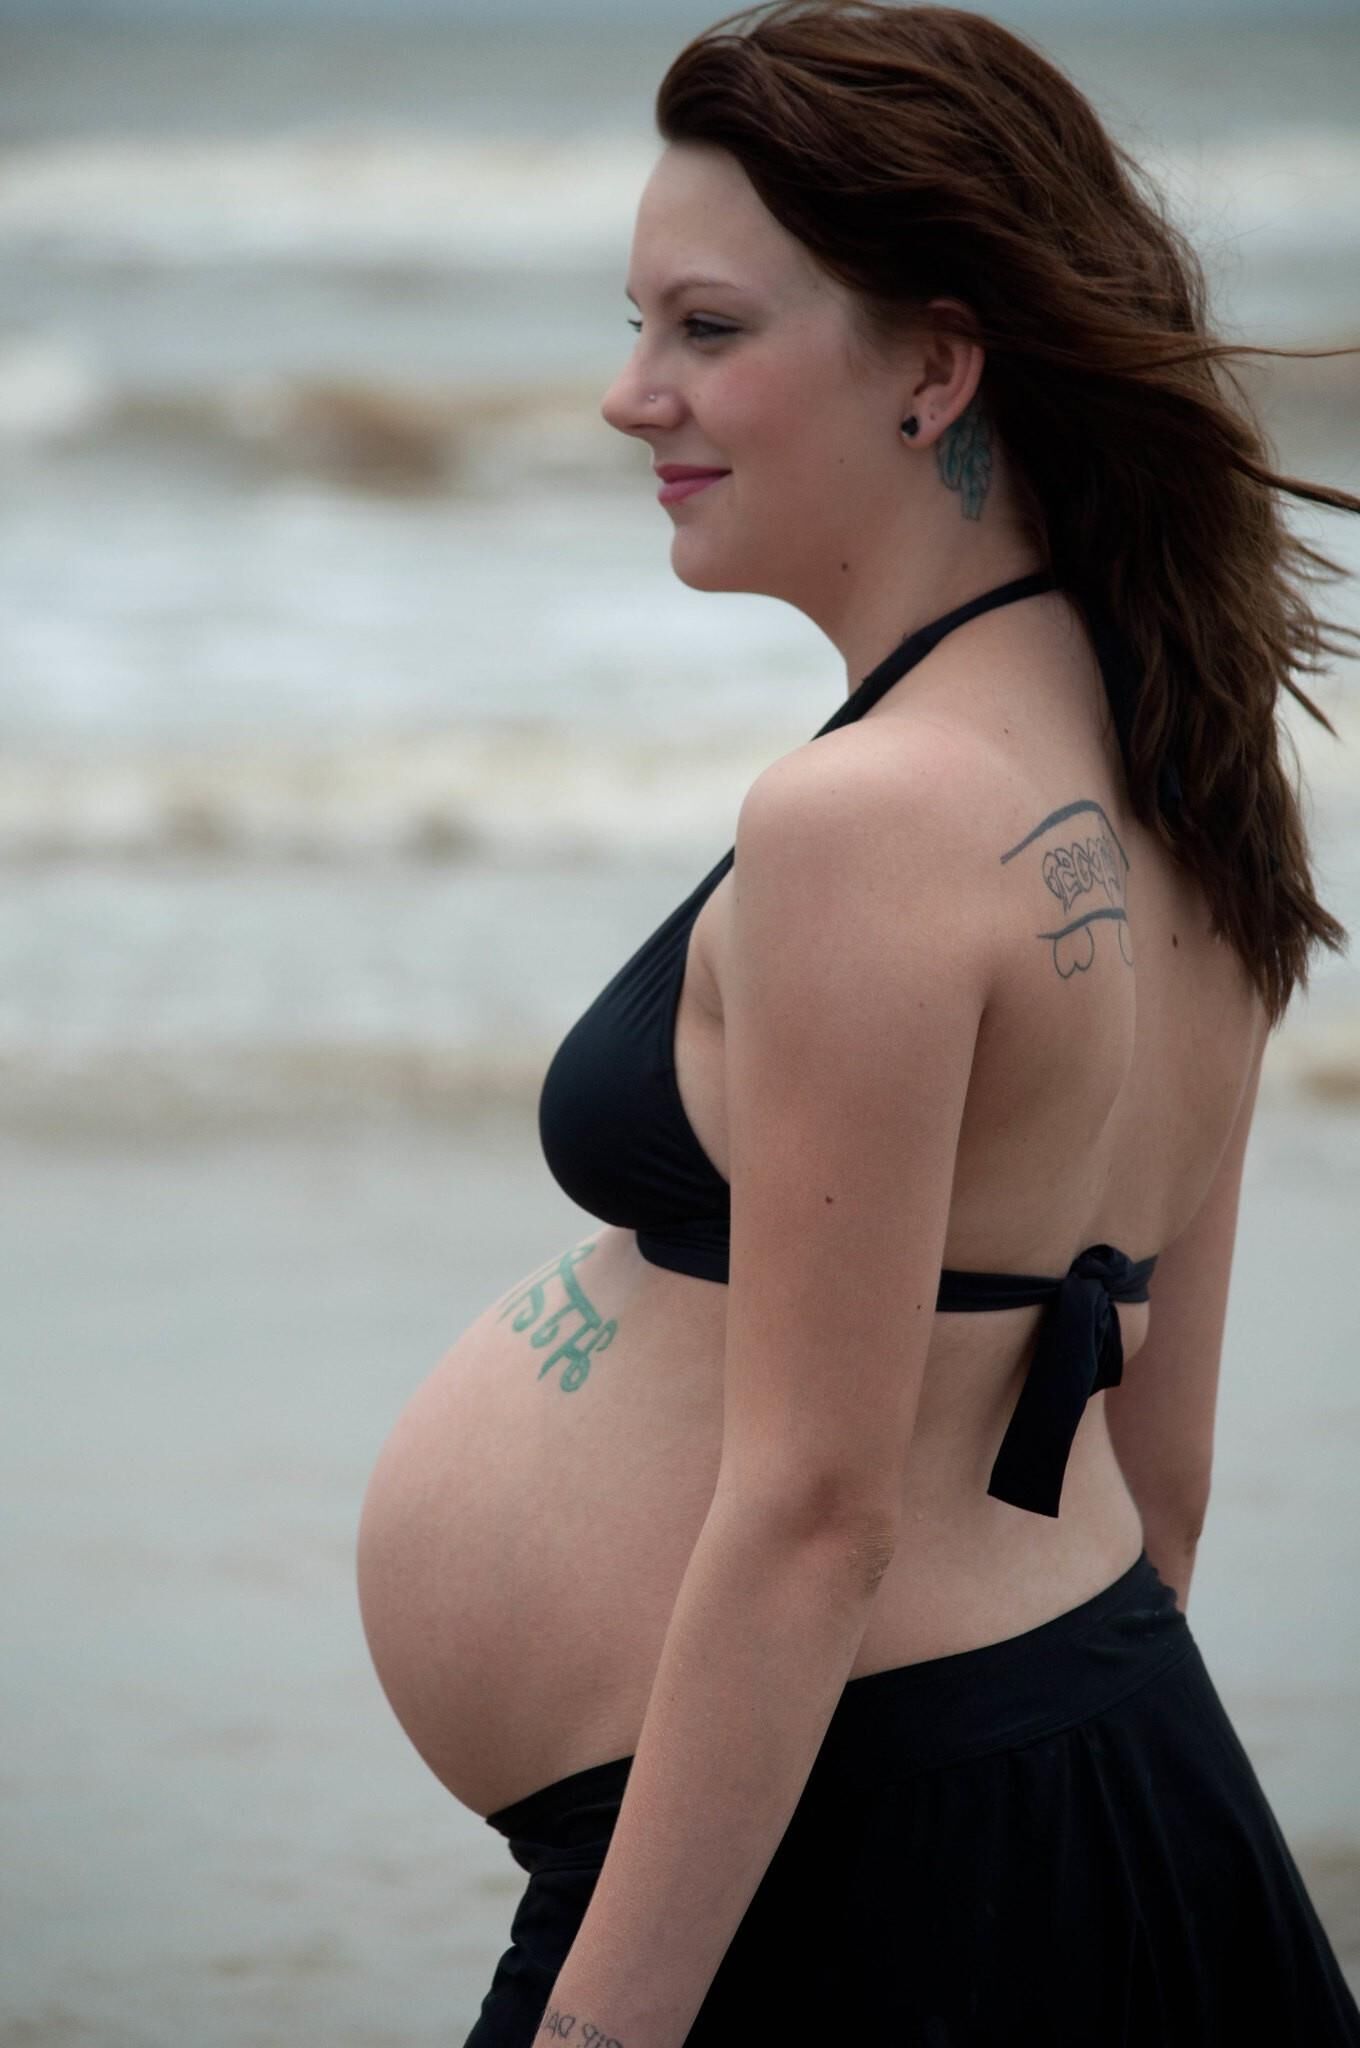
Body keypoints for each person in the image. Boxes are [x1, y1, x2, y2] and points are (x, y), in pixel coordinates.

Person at [355, 4, 1360, 2043]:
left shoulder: (870, 815)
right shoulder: (1174, 745)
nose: (632, 397)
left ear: (933, 362)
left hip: (845, 1829)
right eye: (636, 322)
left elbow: (815, 1512)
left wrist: (607, 2028)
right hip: (1059, 1743)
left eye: (705, 329)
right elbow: (1148, 1460)